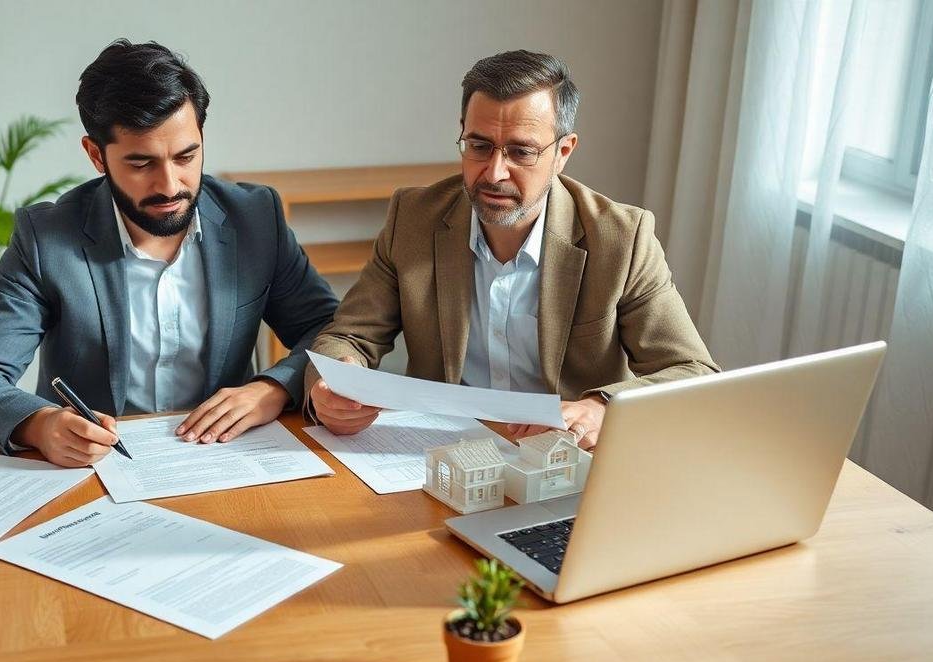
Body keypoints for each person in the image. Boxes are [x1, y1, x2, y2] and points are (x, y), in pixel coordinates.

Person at [0, 39, 337, 467]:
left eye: (186, 156)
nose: (170, 185)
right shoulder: (47, 238)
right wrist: (40, 424)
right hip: (95, 474)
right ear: (96, 155)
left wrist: (273, 388)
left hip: (224, 461)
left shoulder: (254, 218)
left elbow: (329, 329)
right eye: (141, 164)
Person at [307, 50, 717, 448]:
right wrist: (334, 385)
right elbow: (348, 337)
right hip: (441, 455)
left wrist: (602, 407)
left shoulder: (622, 238)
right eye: (479, 146)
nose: (495, 172)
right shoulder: (414, 218)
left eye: (521, 151)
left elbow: (692, 372)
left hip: (563, 459)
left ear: (563, 152)